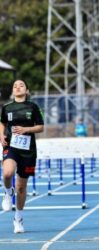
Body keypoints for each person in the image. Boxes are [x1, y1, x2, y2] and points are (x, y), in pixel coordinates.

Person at [1, 80, 44, 233]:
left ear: (26, 90)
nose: (17, 87)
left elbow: (41, 127)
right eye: (15, 86)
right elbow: (2, 123)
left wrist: (26, 129)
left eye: (21, 85)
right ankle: (7, 192)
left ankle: (18, 218)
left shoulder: (33, 107)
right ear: (13, 91)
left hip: (28, 150)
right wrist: (1, 136)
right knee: (7, 173)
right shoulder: (7, 107)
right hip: (11, 147)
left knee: (21, 186)